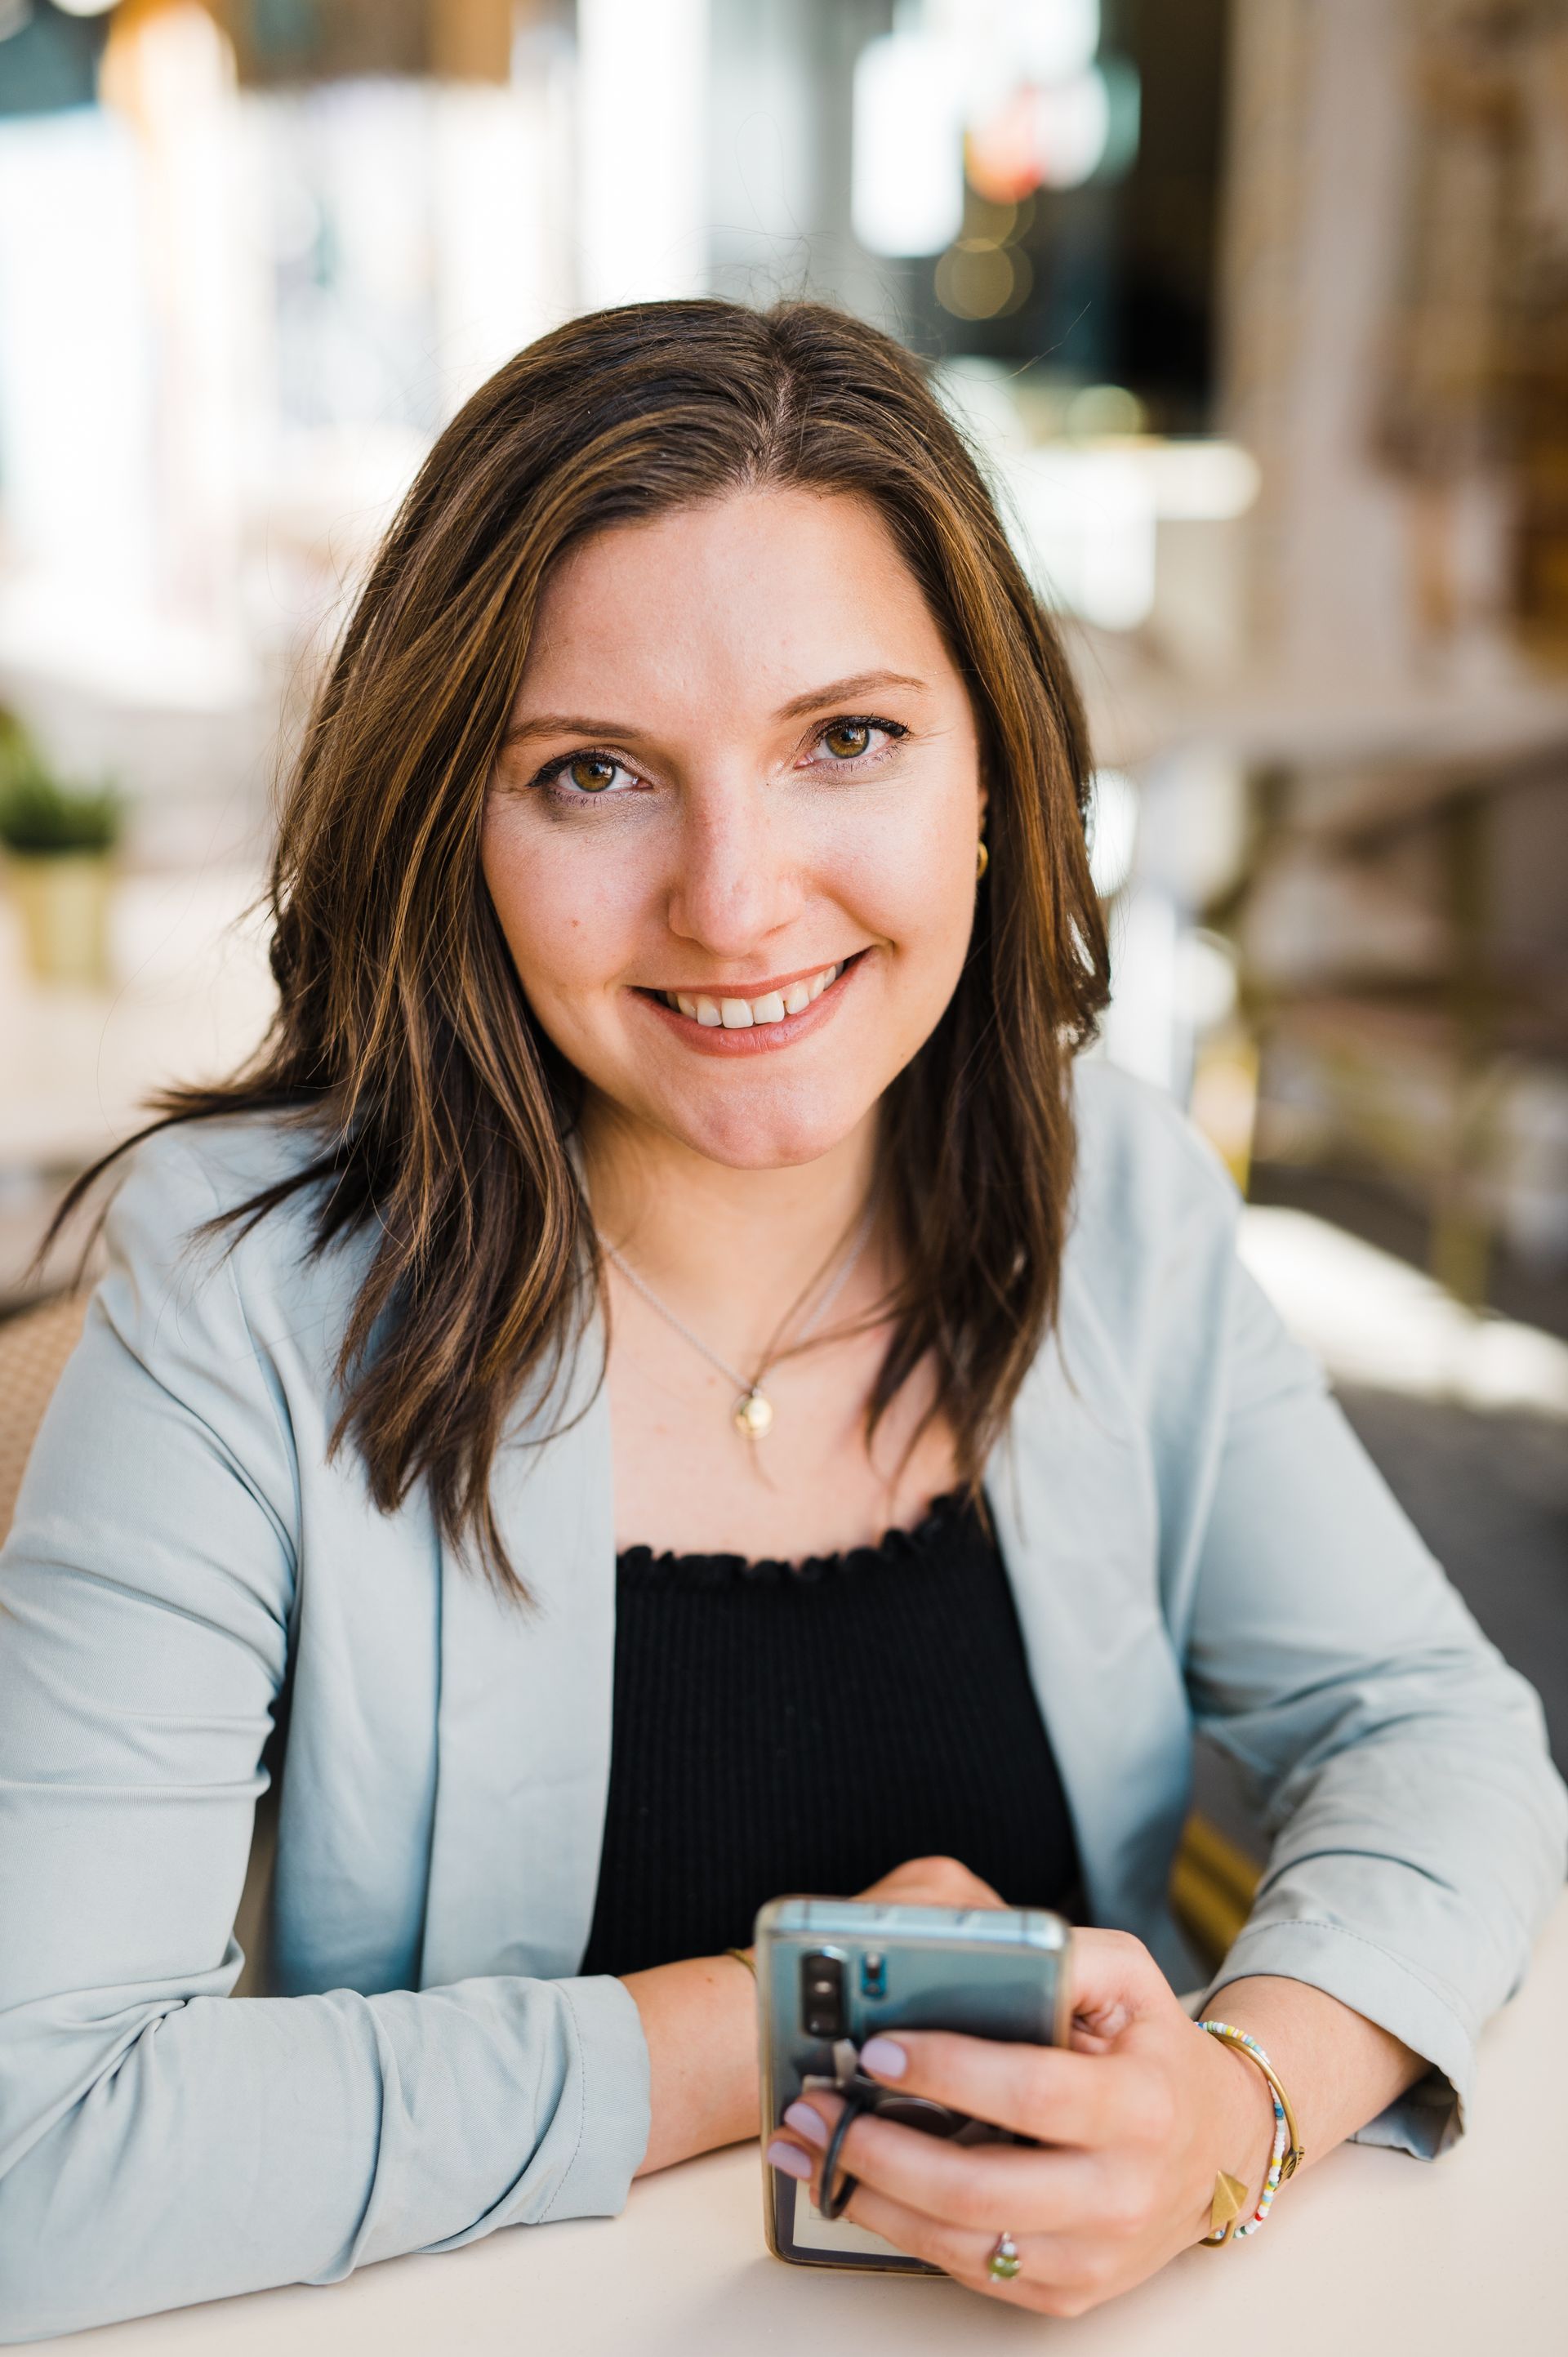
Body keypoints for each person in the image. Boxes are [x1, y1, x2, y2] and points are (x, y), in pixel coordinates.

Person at [0, 299, 1561, 2341]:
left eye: (848, 738)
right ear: (454, 835)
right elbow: (36, 2153)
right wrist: (786, 2016)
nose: (736, 901)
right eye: (594, 774)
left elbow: (1436, 1732)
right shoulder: (235, 1306)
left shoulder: (1115, 1198)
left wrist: (1238, 2104)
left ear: (995, 773)